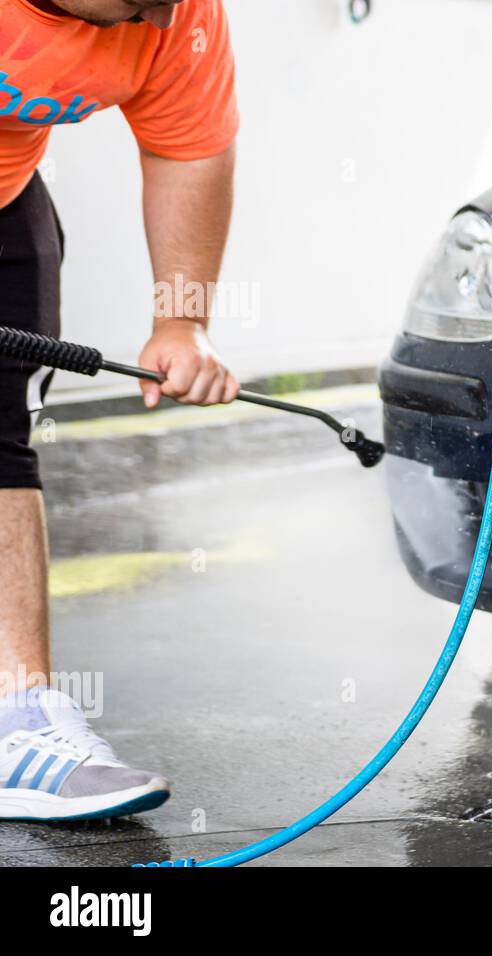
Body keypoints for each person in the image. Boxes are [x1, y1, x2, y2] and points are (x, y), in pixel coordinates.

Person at [0, 0, 239, 820]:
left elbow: (187, 148)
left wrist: (181, 319)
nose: (162, 9)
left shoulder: (180, 13)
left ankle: (17, 721)